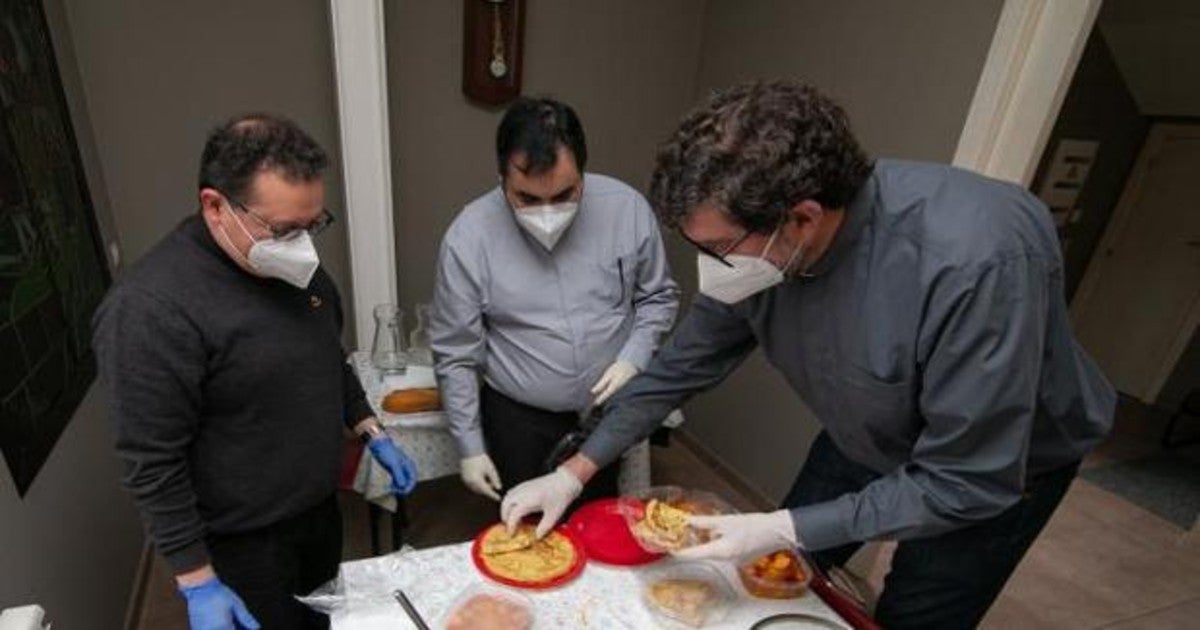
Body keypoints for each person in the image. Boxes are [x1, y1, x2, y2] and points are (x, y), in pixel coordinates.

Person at [500, 81, 1115, 628]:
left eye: (716, 248)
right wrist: (573, 471)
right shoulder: (757, 254)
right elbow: (676, 371)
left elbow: (964, 479)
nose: (708, 266)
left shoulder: (978, 259)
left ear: (801, 219)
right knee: (777, 574)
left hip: (995, 470)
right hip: (864, 431)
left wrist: (783, 524)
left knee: (914, 608)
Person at [93, 114, 418, 630]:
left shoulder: (289, 265)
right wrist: (197, 582)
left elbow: (325, 357)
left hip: (317, 514)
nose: (304, 245)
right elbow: (152, 464)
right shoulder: (149, 311)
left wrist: (369, 428)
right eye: (286, 229)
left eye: (314, 225)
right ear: (215, 206)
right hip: (242, 545)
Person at [430, 97, 679, 512]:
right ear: (501, 178)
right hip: (519, 418)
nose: (547, 213)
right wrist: (470, 446)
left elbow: (658, 296)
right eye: (526, 199)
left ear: (583, 172)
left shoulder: (627, 209)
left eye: (565, 194)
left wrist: (634, 357)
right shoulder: (468, 237)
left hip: (605, 412)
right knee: (525, 538)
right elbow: (456, 352)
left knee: (598, 523)